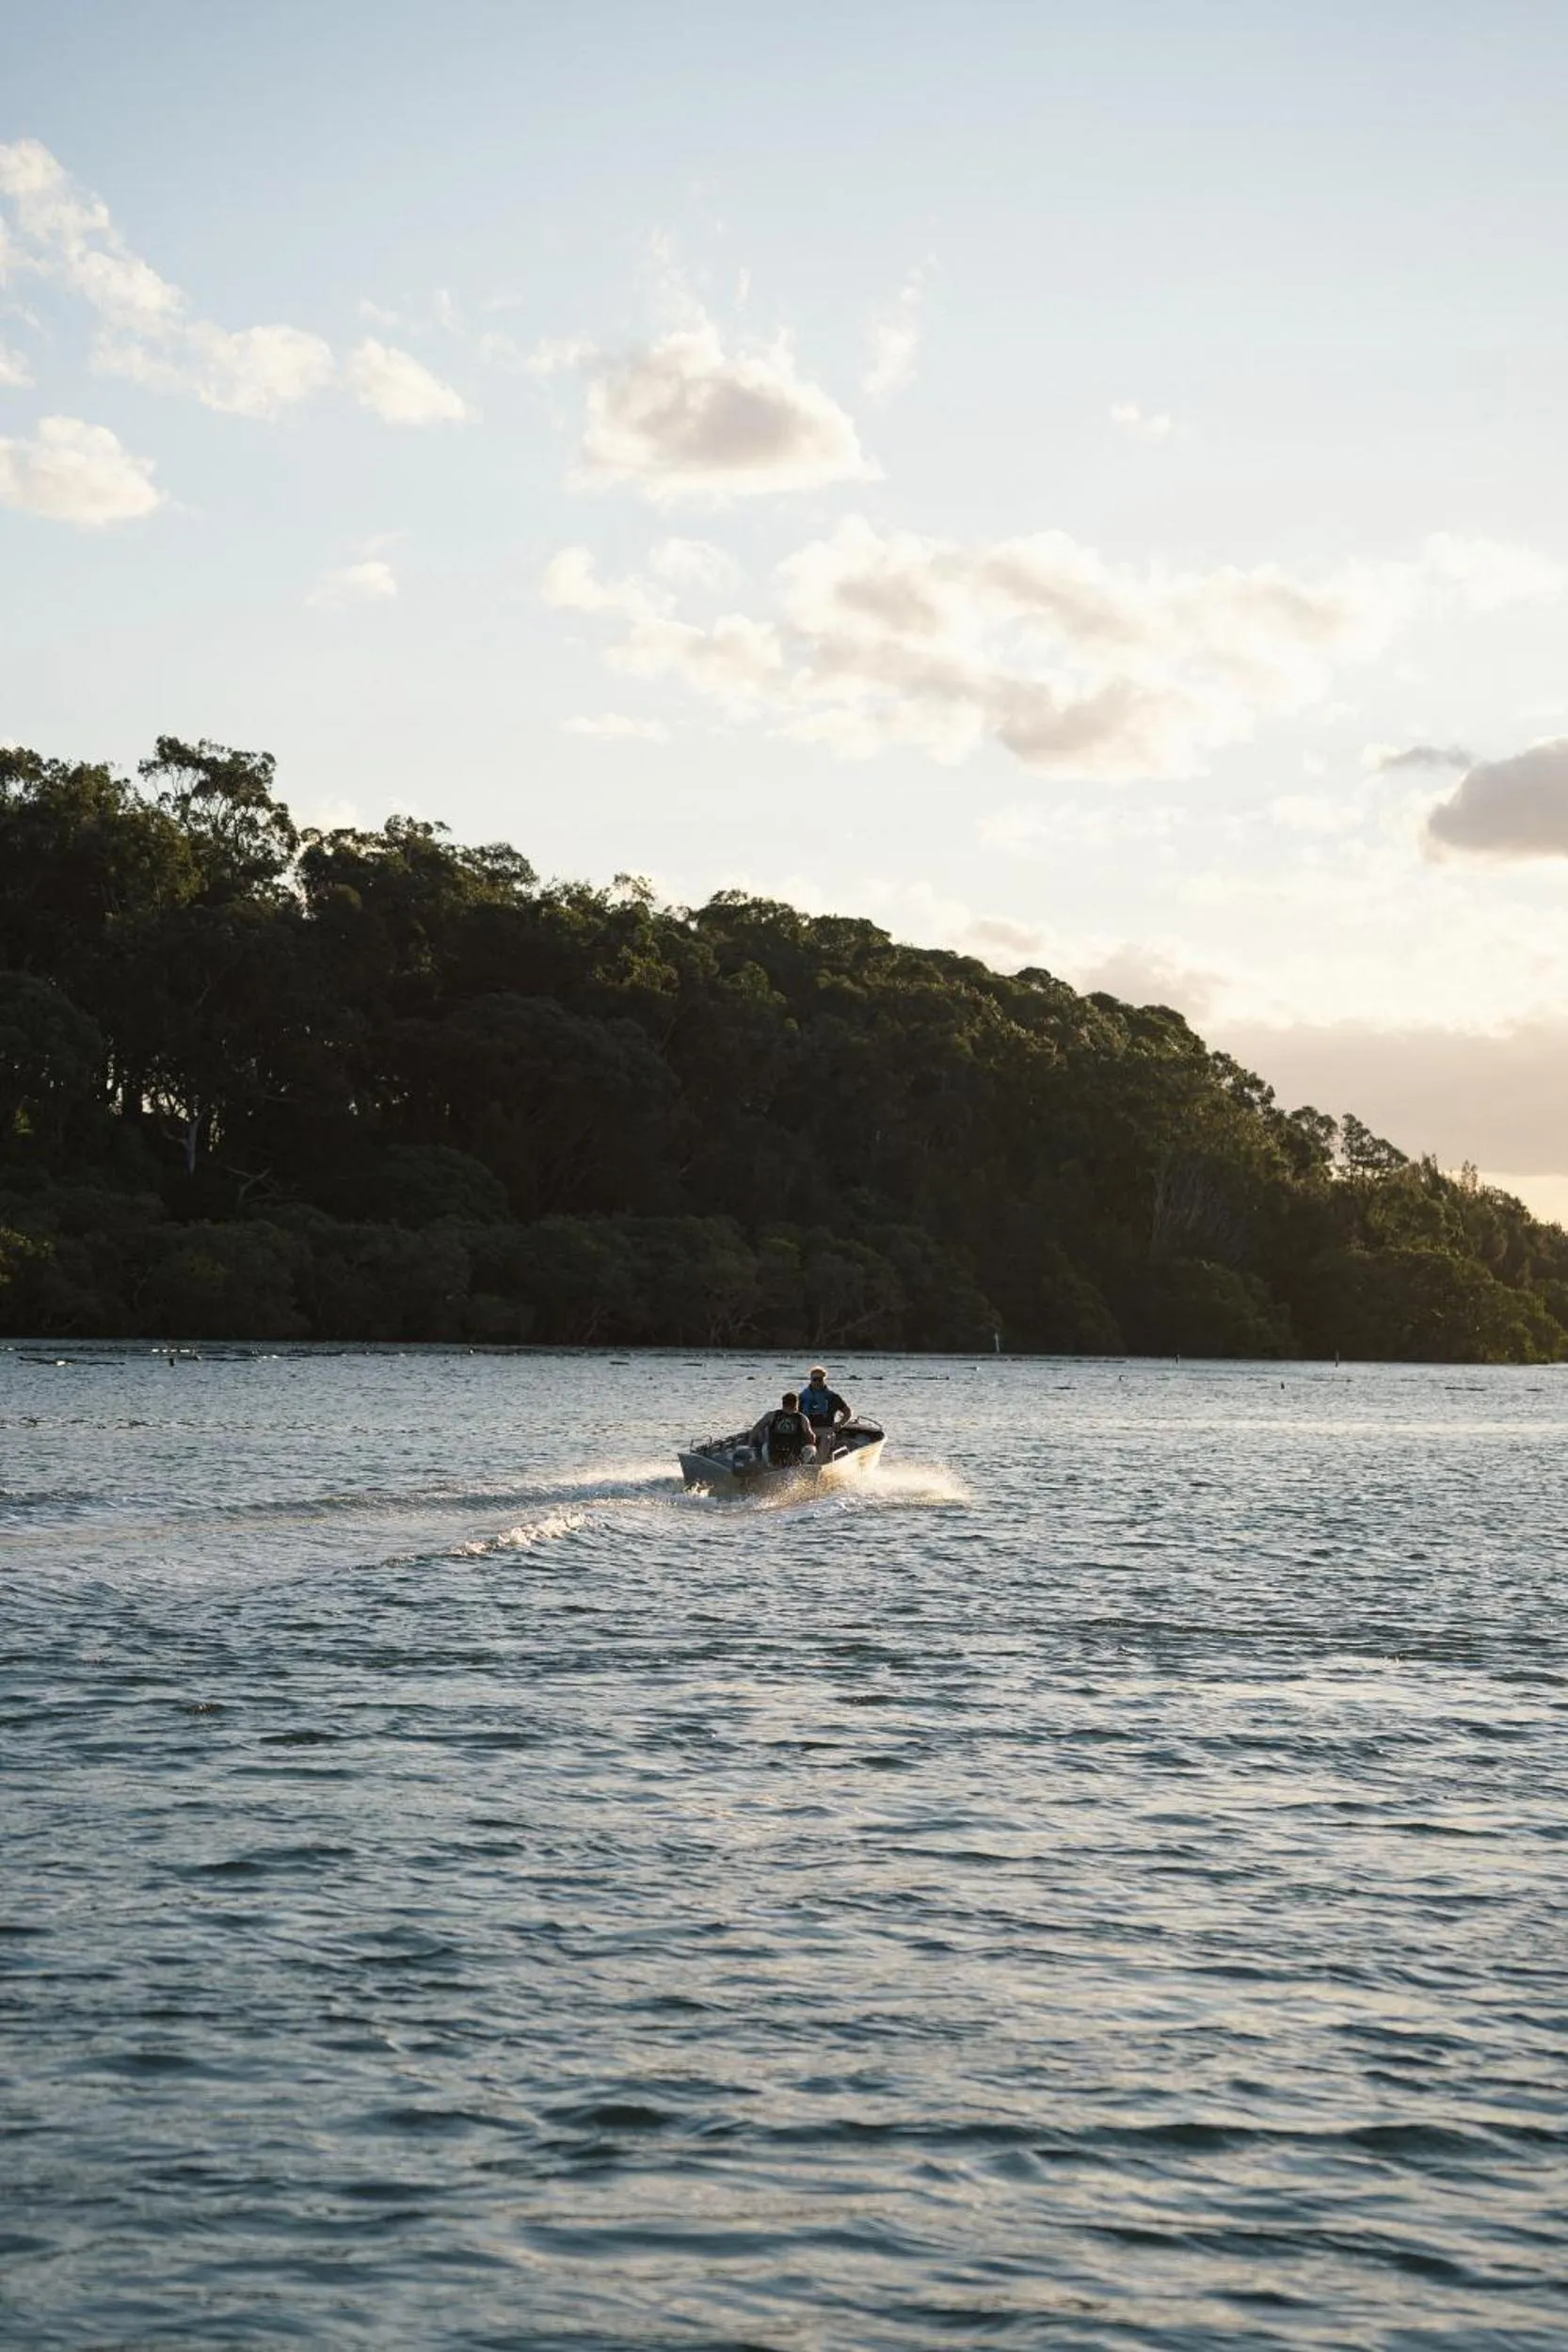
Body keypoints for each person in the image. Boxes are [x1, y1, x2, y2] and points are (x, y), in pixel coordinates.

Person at [750, 1391, 814, 1467]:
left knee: (765, 1445)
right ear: (796, 1404)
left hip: (773, 1454)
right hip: (794, 1456)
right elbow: (811, 1437)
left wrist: (752, 1443)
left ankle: (768, 1465)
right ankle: (801, 1466)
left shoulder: (771, 1415)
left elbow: (756, 1429)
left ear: (783, 1403)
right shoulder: (802, 1418)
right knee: (811, 1448)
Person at [799, 1366, 851, 1454]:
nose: (817, 1382)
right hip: (808, 1429)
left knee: (826, 1437)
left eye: (820, 1379)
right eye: (815, 1379)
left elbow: (847, 1412)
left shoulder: (832, 1397)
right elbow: (795, 1413)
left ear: (824, 1380)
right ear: (811, 1380)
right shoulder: (802, 1397)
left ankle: (819, 1465)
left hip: (826, 1429)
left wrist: (840, 1423)